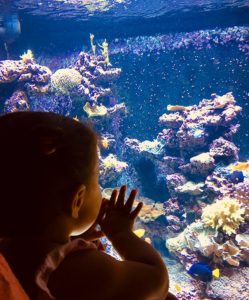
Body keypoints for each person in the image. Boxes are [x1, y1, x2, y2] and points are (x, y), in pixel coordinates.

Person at [0, 111, 176, 300]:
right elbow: (156, 281)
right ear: (77, 201)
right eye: (97, 180)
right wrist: (121, 234)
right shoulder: (72, 269)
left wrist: (66, 239)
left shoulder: (9, 253)